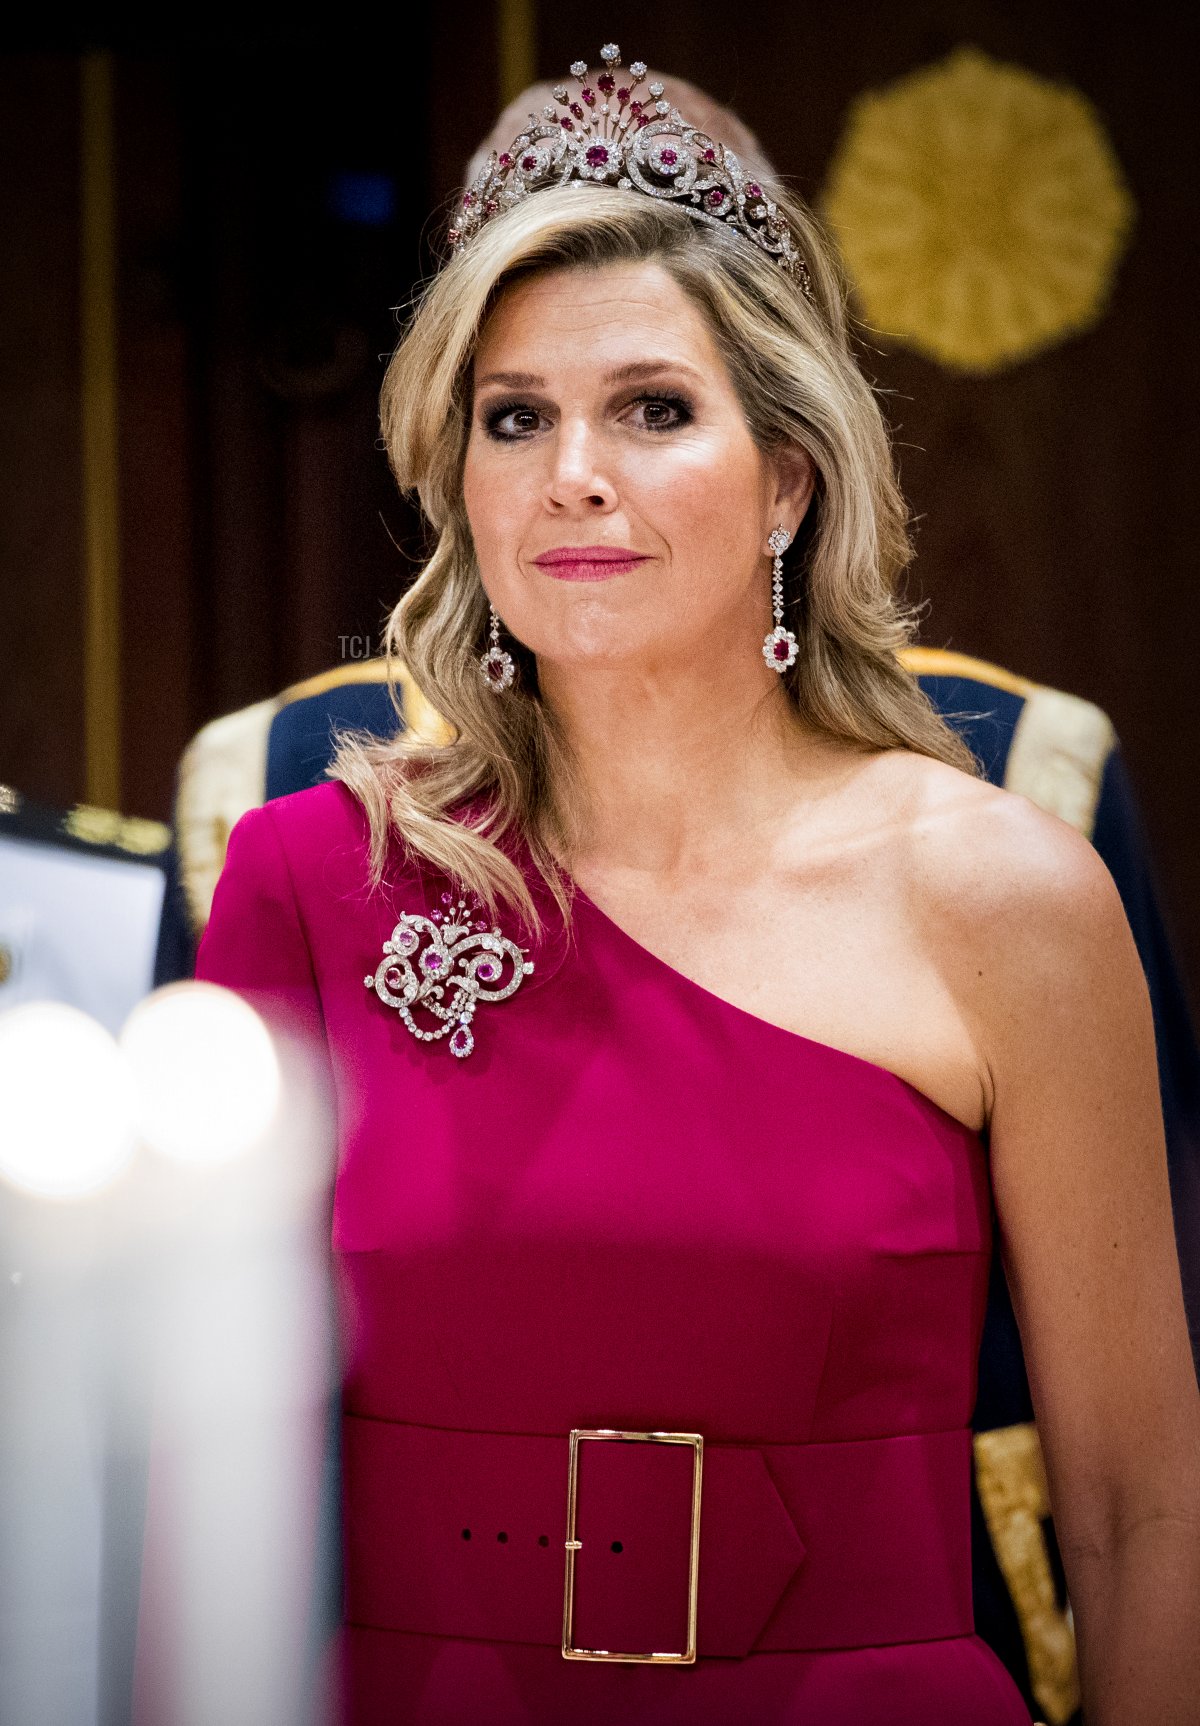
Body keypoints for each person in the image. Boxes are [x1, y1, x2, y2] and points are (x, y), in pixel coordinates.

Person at [193, 46, 1200, 1726]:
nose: (573, 471)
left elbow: (1139, 1508)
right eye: (516, 417)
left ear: (787, 476)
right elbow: (199, 1479)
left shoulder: (1007, 894)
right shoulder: (310, 880)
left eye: (654, 409)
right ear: (461, 478)